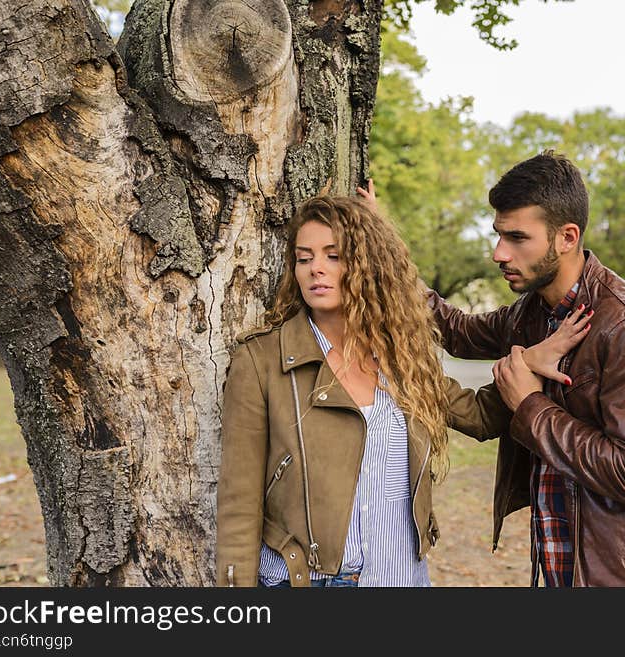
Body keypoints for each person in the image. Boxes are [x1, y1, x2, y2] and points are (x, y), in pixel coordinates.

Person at [215, 195, 586, 587]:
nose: (315, 270)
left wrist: (527, 363)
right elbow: (240, 500)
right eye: (304, 258)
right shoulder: (262, 360)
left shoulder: (401, 358)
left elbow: (480, 416)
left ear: (366, 266)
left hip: (401, 578)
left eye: (333, 256)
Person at [387, 151, 625, 587]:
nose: (499, 253)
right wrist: (383, 245)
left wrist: (529, 406)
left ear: (566, 237)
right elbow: (454, 330)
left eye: (516, 238)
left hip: (623, 577)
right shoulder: (530, 315)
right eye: (498, 235)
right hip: (556, 565)